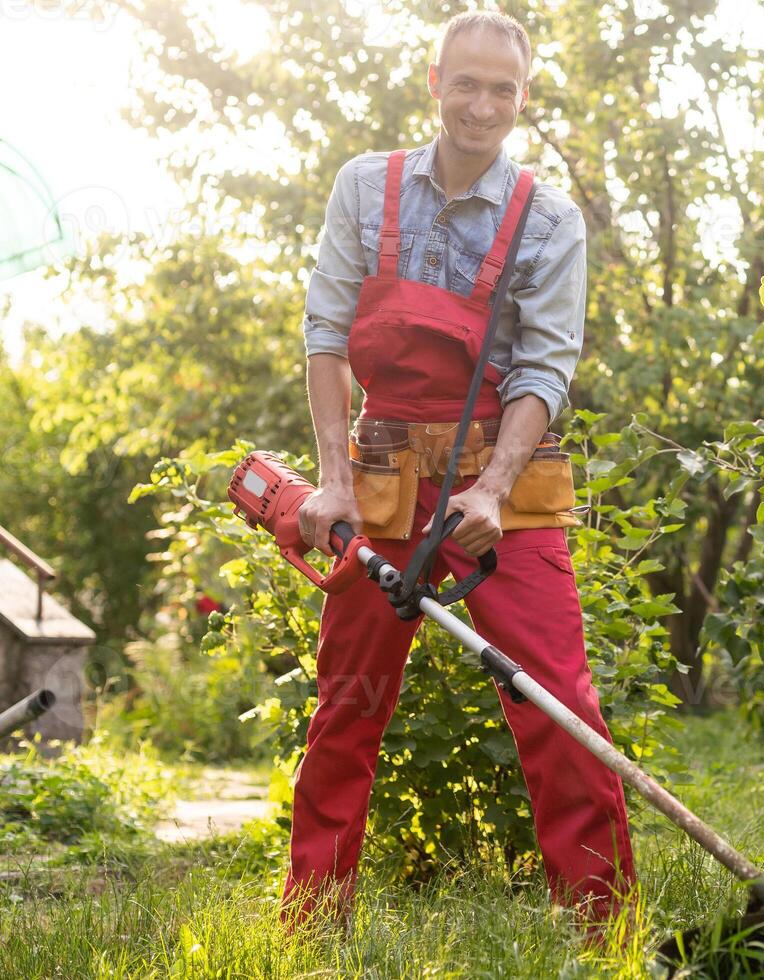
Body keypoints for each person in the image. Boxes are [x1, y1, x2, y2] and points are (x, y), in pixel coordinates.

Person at [286, 10, 635, 932]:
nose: (483, 104)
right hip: (384, 473)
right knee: (347, 704)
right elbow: (325, 332)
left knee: (559, 705)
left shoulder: (550, 219)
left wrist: (490, 486)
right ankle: (312, 922)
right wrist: (332, 479)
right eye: (468, 83)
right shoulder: (365, 189)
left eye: (503, 89)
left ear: (524, 98)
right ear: (433, 80)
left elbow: (545, 367)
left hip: (502, 486)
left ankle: (603, 928)